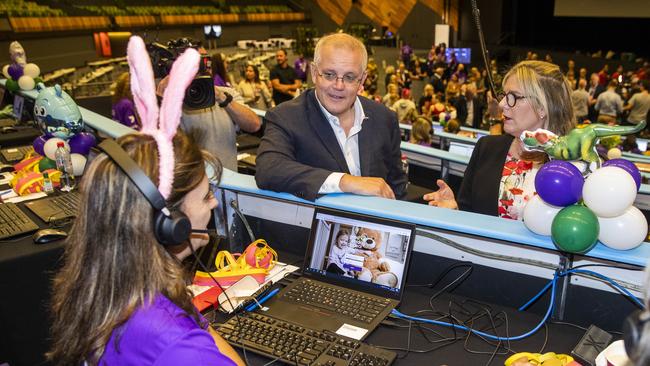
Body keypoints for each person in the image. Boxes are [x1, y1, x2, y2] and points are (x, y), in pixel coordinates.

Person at [47, 36, 244, 366]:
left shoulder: (107, 287)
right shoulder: (176, 344)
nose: (214, 204)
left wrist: (188, 311)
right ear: (169, 223)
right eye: (206, 195)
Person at [255, 32, 407, 201]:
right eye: (329, 74)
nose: (339, 85)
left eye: (349, 77)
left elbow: (397, 187)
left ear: (362, 79)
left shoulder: (384, 118)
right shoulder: (286, 117)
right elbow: (269, 169)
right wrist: (346, 181)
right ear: (314, 72)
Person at [424, 60, 576, 219]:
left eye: (514, 97)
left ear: (543, 107)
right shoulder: (487, 147)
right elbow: (467, 212)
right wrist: (453, 210)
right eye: (504, 95)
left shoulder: (573, 165)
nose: (502, 104)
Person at [157, 76, 261, 172]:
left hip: (228, 184)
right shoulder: (171, 98)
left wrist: (222, 97)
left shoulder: (226, 93)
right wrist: (160, 100)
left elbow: (254, 125)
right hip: (190, 183)